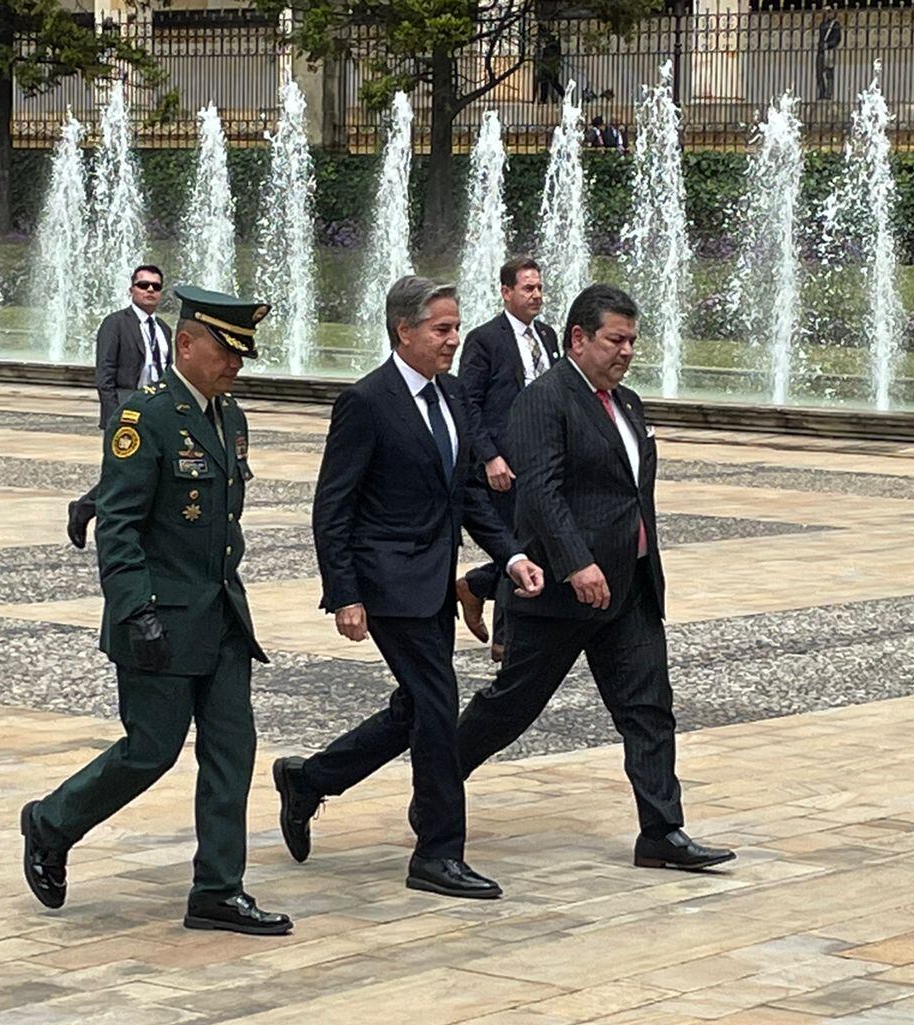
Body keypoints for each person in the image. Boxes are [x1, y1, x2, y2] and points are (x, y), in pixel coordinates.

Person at [21, 285, 293, 936]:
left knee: (232, 751)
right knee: (151, 752)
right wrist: (135, 610)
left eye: (244, 354)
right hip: (161, 622)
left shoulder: (230, 418)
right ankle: (51, 822)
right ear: (187, 343)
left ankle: (218, 890)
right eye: (227, 350)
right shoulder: (146, 418)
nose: (237, 364)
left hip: (223, 615)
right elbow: (118, 527)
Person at [271, 277, 546, 899]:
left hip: (432, 584)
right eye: (441, 329)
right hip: (386, 582)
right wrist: (344, 592)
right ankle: (437, 853)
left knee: (417, 706)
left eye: (454, 327)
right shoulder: (366, 401)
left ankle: (311, 779)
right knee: (436, 705)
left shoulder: (451, 394)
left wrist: (511, 558)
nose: (453, 340)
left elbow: (469, 494)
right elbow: (332, 506)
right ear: (405, 331)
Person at [455, 284, 735, 872]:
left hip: (628, 589)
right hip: (561, 594)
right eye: (615, 339)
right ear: (578, 339)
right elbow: (542, 492)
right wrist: (576, 561)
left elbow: (629, 494)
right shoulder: (544, 400)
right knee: (509, 709)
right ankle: (435, 783)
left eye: (633, 340)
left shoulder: (627, 403)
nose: (627, 351)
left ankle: (662, 831)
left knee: (648, 707)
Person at [457, 255, 563, 661]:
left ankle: (477, 586)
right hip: (504, 463)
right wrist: (489, 457)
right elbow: (468, 402)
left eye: (539, 287)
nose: (536, 295)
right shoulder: (486, 340)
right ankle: (505, 641)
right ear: (506, 292)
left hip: (543, 460)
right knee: (515, 545)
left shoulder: (549, 337)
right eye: (527, 288)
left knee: (536, 543)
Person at [68, 264, 173, 549]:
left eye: (156, 286)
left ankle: (133, 525)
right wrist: (115, 415)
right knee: (123, 474)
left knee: (154, 473)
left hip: (159, 411)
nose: (150, 290)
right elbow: (105, 374)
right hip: (127, 411)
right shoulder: (116, 323)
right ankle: (85, 510)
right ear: (132, 290)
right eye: (144, 285)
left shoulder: (163, 329)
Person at [816, 6, 843, 102]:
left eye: (828, 12)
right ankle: (822, 92)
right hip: (821, 51)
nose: (827, 14)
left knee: (829, 73)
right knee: (819, 73)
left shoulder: (835, 24)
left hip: (829, 51)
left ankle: (828, 93)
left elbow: (837, 39)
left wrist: (828, 45)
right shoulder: (823, 24)